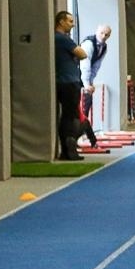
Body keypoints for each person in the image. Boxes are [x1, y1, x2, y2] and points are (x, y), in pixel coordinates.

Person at [54, 11, 86, 161]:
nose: (73, 25)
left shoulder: (60, 39)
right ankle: (69, 150)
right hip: (68, 82)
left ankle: (66, 150)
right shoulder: (62, 39)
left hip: (66, 81)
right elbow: (82, 54)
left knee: (68, 115)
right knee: (70, 116)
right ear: (61, 22)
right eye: (70, 21)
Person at [79, 24, 111, 148]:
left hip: (85, 79)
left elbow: (96, 66)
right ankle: (85, 139)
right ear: (96, 31)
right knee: (80, 111)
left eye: (107, 34)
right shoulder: (88, 44)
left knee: (86, 107)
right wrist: (86, 83)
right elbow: (85, 64)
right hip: (76, 75)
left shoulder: (104, 47)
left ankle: (86, 137)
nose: (104, 36)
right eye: (102, 33)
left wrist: (90, 82)